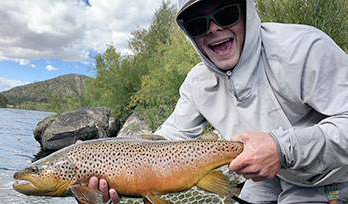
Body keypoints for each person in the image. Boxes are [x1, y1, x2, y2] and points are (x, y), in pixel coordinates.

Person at [87, 0, 348, 203]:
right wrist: (98, 156)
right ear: (190, 35)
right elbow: (168, 139)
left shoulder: (304, 49)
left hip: (328, 175)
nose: (213, 28)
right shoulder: (197, 82)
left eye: (226, 14)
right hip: (265, 177)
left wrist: (281, 149)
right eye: (198, 24)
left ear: (247, 12)